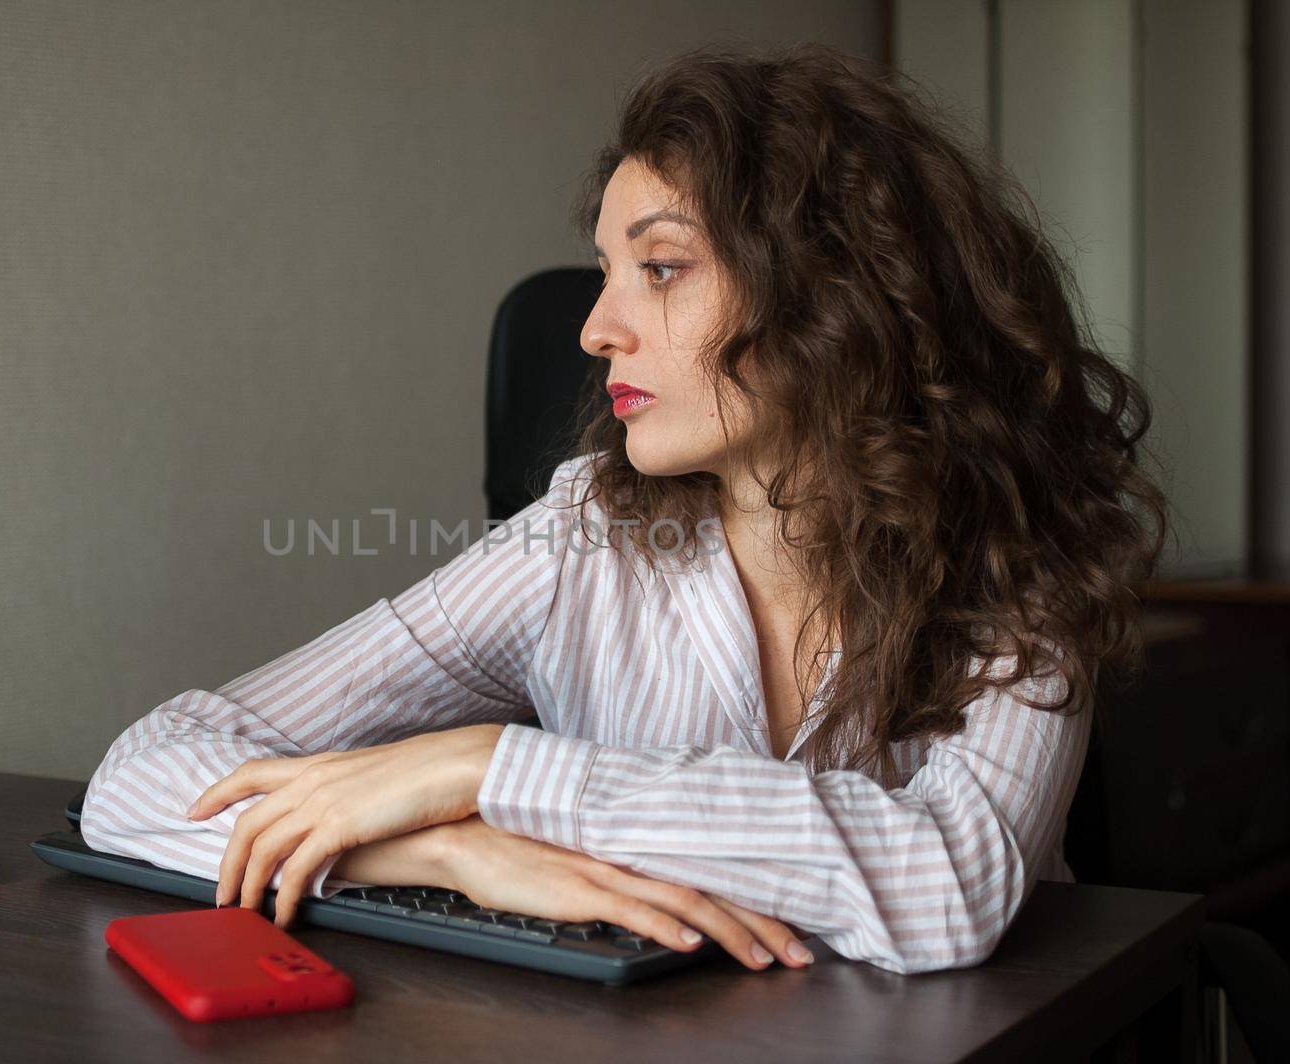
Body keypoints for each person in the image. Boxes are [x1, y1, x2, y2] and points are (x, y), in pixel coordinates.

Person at [80, 43, 1167, 976]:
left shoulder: (1012, 549)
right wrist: (443, 847)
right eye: (607, 270)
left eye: (659, 267)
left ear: (839, 292)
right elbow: (138, 781)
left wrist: (488, 769)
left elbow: (949, 884)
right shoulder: (581, 537)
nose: (597, 326)